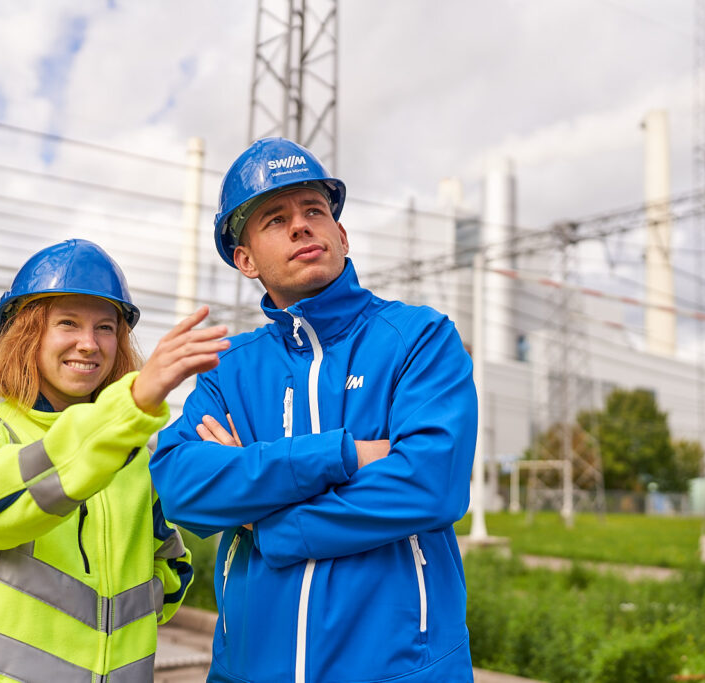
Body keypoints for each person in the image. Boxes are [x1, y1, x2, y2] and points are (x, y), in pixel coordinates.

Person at [151, 138, 478, 682]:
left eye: (314, 211)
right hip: (250, 670)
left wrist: (266, 518)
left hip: (402, 670)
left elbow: (430, 482)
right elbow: (182, 487)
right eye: (276, 219)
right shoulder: (229, 369)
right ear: (245, 259)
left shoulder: (418, 338)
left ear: (341, 236)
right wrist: (343, 454)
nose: (301, 226)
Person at [0, 239, 229, 682]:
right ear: (26, 334)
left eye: (105, 328)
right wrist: (131, 406)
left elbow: (174, 570)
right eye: (68, 323)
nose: (89, 344)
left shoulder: (133, 461)